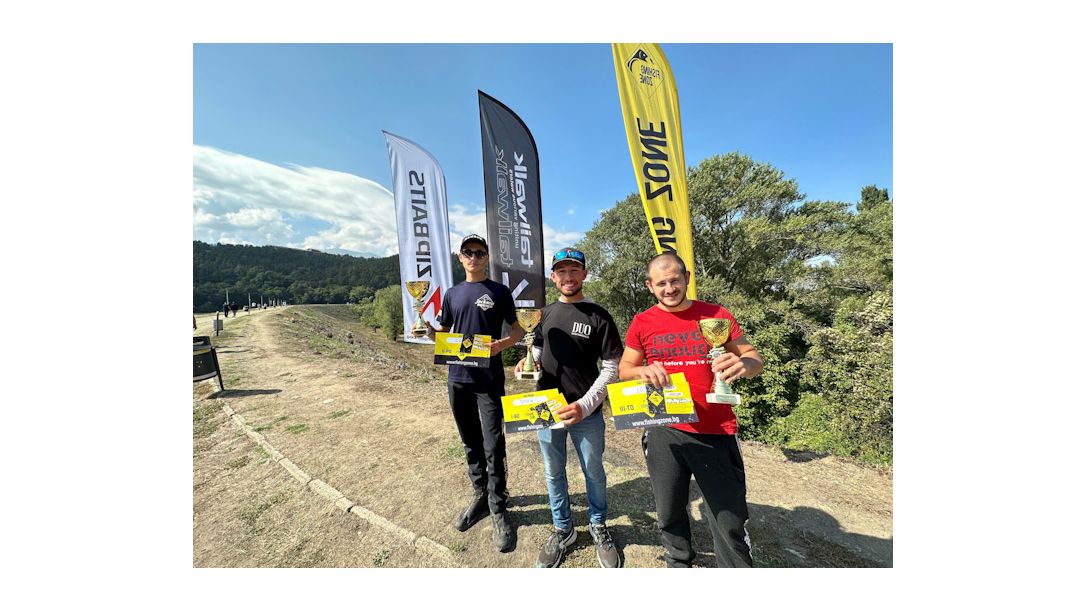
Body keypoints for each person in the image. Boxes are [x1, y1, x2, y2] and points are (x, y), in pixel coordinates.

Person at [618, 253, 764, 568]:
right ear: (650, 286)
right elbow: (624, 369)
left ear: (686, 277)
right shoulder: (642, 322)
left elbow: (754, 358)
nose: (669, 288)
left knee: (727, 517)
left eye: (674, 280)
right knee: (669, 510)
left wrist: (744, 364)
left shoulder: (716, 314)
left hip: (716, 429)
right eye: (661, 283)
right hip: (664, 429)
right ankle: (678, 563)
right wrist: (642, 372)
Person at [514, 247, 623, 568]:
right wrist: (526, 363)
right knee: (553, 472)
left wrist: (586, 405)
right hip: (545, 407)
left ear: (585, 274)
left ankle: (598, 525)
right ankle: (563, 529)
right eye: (562, 271)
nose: (568, 276)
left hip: (586, 411)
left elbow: (612, 366)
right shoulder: (543, 314)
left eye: (574, 270)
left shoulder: (598, 315)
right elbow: (536, 348)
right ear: (553, 276)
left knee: (593, 472)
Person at [426, 234, 525, 553]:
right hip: (457, 377)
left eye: (479, 252)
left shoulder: (499, 291)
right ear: (460, 257)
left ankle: (498, 507)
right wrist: (427, 331)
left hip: (489, 379)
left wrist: (503, 345)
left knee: (493, 443)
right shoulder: (452, 294)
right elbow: (444, 332)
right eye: (468, 252)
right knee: (470, 442)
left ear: (487, 258)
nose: (473, 257)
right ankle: (479, 496)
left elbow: (518, 331)